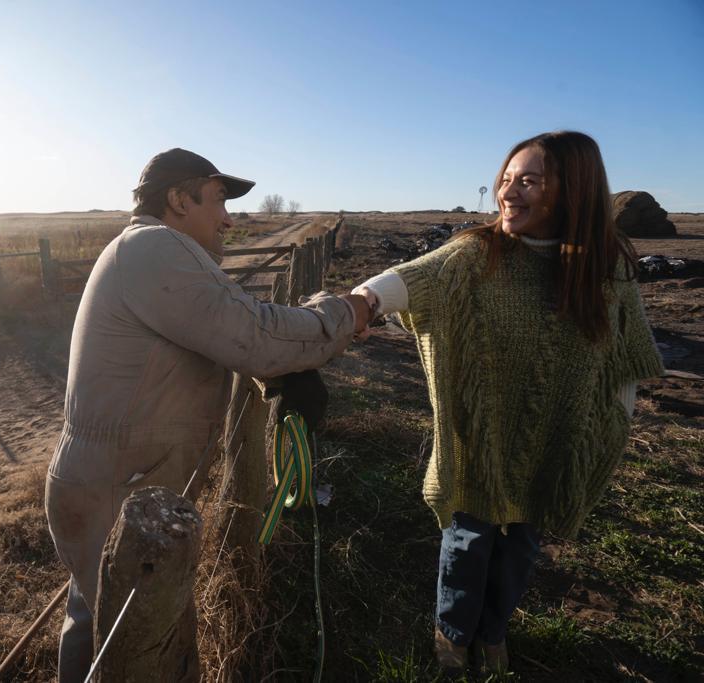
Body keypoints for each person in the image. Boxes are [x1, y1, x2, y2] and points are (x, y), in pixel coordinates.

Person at [45, 148, 372, 681]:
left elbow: (220, 333)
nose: (228, 218)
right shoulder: (154, 249)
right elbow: (254, 334)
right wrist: (350, 311)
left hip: (111, 479)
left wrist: (276, 370)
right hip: (118, 491)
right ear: (178, 199)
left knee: (98, 628)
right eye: (219, 200)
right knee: (150, 644)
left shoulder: (149, 251)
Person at [352, 131, 663, 676]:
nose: (508, 191)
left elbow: (624, 364)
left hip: (552, 443)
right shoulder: (477, 253)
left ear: (573, 192)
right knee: (467, 543)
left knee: (520, 549)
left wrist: (611, 429)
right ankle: (452, 634)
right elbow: (413, 278)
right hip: (477, 442)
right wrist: (362, 301)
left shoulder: (607, 268)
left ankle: (493, 634)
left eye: (529, 180)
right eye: (507, 177)